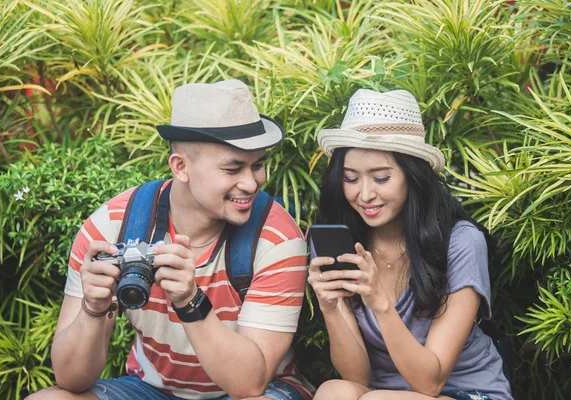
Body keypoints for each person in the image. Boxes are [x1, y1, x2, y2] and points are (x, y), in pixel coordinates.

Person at [28, 79, 313, 400]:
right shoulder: (111, 227)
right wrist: (93, 309)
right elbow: (71, 378)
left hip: (258, 389)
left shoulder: (275, 237)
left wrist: (190, 301)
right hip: (154, 389)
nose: (251, 183)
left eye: (258, 165)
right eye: (233, 169)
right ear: (180, 167)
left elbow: (250, 384)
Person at [307, 88, 513, 400]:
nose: (364, 195)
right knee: (332, 391)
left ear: (412, 176)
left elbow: (430, 384)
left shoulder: (459, 242)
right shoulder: (341, 241)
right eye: (351, 178)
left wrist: (380, 303)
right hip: (382, 395)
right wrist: (331, 307)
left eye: (380, 179)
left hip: (467, 392)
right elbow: (357, 376)